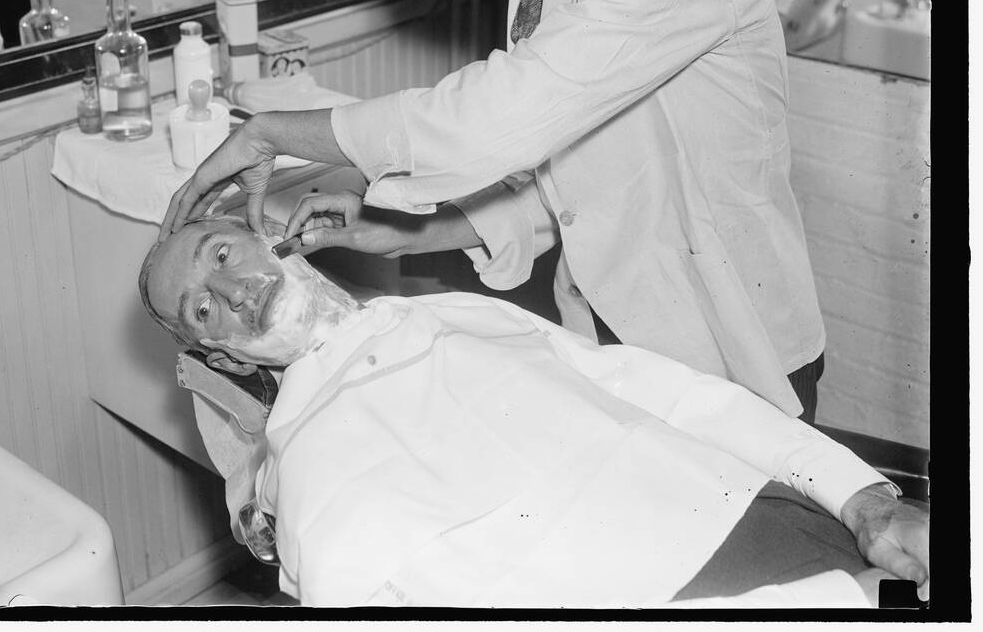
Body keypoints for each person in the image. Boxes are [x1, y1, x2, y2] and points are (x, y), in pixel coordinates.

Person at [160, 0, 827, 424]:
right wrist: (398, 231)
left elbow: (498, 121)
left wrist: (277, 131)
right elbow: (566, 187)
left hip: (729, 349)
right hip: (622, 343)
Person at [138, 216, 930, 608]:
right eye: (201, 311)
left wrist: (859, 497)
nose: (230, 289)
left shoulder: (454, 311)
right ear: (227, 360)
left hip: (752, 515)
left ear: (273, 238)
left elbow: (666, 392)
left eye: (222, 252)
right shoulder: (306, 465)